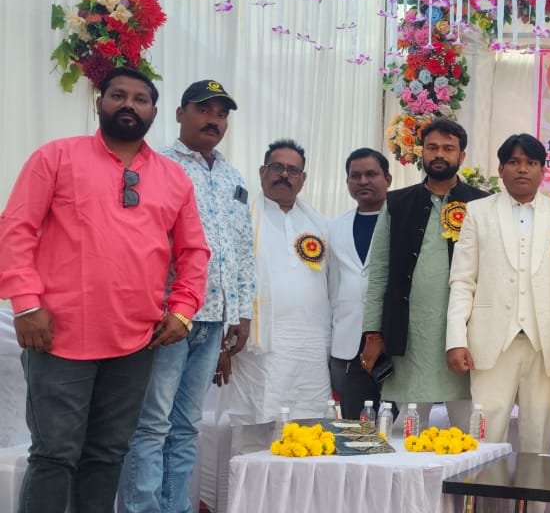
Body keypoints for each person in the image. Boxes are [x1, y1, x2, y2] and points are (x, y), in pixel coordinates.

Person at [0, 68, 209, 513]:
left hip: (135, 341)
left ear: (154, 112)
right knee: (55, 455)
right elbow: (16, 228)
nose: (128, 104)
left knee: (107, 454)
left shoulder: (174, 178)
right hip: (58, 336)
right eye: (118, 95)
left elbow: (194, 251)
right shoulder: (56, 157)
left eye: (140, 99)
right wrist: (26, 305)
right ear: (100, 102)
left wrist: (183, 309)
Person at [120, 80, 253, 513]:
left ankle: (174, 506)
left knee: (186, 426)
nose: (213, 120)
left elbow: (241, 246)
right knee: (151, 424)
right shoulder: (156, 166)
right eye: (203, 110)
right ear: (179, 115)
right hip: (167, 316)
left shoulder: (232, 176)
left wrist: (241, 311)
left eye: (221, 113)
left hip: (214, 320)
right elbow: (140, 241)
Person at [361, 119, 490, 429]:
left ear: (462, 155)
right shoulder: (397, 203)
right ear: (422, 152)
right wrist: (373, 333)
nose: (439, 154)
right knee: (407, 432)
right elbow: (378, 273)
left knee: (469, 434)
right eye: (432, 147)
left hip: (466, 338)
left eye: (448, 148)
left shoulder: (483, 204)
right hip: (410, 339)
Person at [445, 134, 550, 452]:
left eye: (531, 162)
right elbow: (462, 280)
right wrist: (456, 339)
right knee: (484, 438)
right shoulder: (478, 212)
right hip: (490, 342)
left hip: (545, 342)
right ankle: (482, 488)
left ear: (543, 170)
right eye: (513, 162)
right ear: (500, 169)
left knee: (539, 442)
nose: (522, 169)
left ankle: (534, 489)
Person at [222, 140, 332, 455]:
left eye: (293, 170)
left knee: (308, 432)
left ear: (303, 178)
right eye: (277, 167)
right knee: (253, 434)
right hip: (258, 350)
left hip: (309, 349)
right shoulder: (240, 217)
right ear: (262, 171)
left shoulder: (320, 224)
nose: (284, 175)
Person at [328, 148, 393, 421]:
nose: (363, 181)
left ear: (388, 179)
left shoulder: (401, 221)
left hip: (393, 346)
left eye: (371, 174)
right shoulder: (334, 227)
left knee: (397, 426)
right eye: (355, 176)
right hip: (348, 345)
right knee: (354, 427)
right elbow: (332, 286)